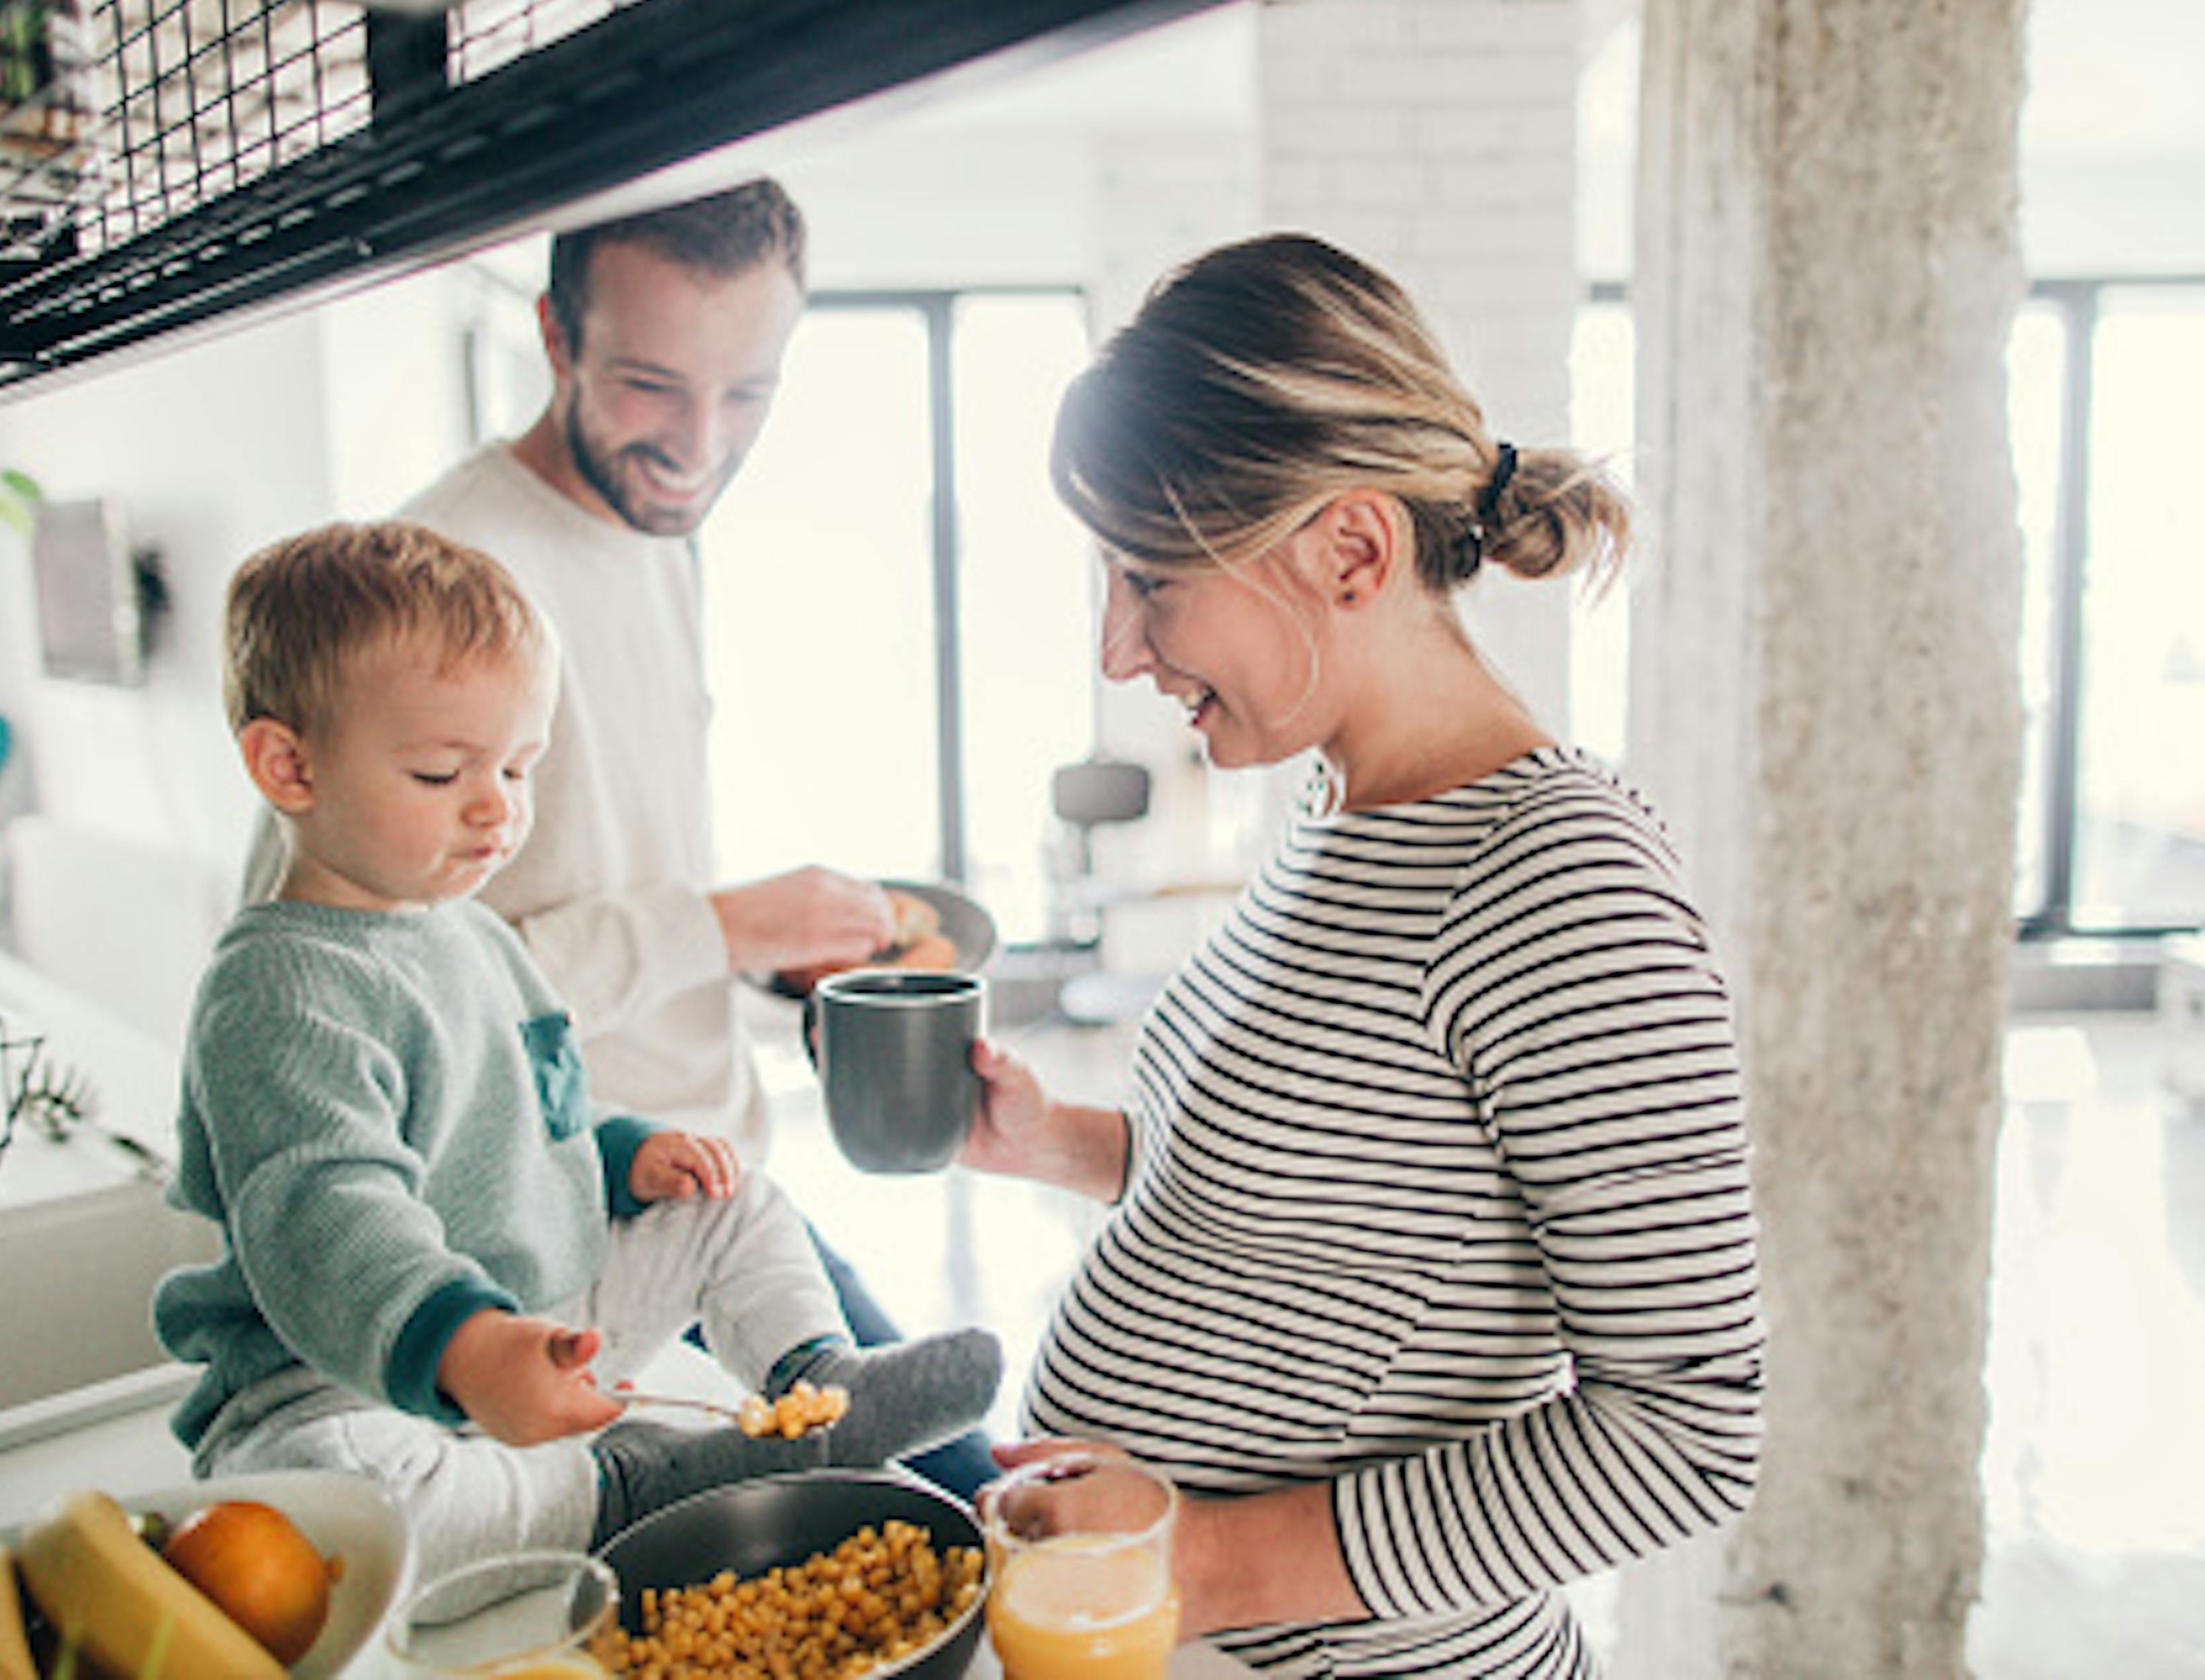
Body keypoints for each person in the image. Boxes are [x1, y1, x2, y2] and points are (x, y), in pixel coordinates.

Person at [962, 235, 1765, 1678]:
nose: (1117, 648)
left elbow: (1687, 1427)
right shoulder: (1342, 807)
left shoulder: (1562, 881)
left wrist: (1196, 1562)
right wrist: (1057, 1141)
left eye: (1151, 579)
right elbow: (1336, 1208)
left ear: (1350, 548)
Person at [246, 176, 997, 1495]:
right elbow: (346, 964)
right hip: (550, 1243)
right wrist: (716, 924)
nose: (700, 443)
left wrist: (767, 968)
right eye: (654, 385)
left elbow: (581, 880)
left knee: (966, 1498)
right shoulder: (446, 575)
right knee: (934, 1515)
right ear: (555, 337)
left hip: (696, 1176)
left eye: (748, 391)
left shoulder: (648, 532)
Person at [162, 521, 1000, 1577]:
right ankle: (626, 1485)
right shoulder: (277, 991)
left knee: (732, 1197)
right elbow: (329, 1218)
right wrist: (467, 1350)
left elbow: (530, 1107)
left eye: (519, 768)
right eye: (439, 773)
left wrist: (622, 1154)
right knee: (350, 1497)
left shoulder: (463, 927)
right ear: (289, 765)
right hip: (344, 1377)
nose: (497, 811)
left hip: (534, 1314)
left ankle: (814, 1380)